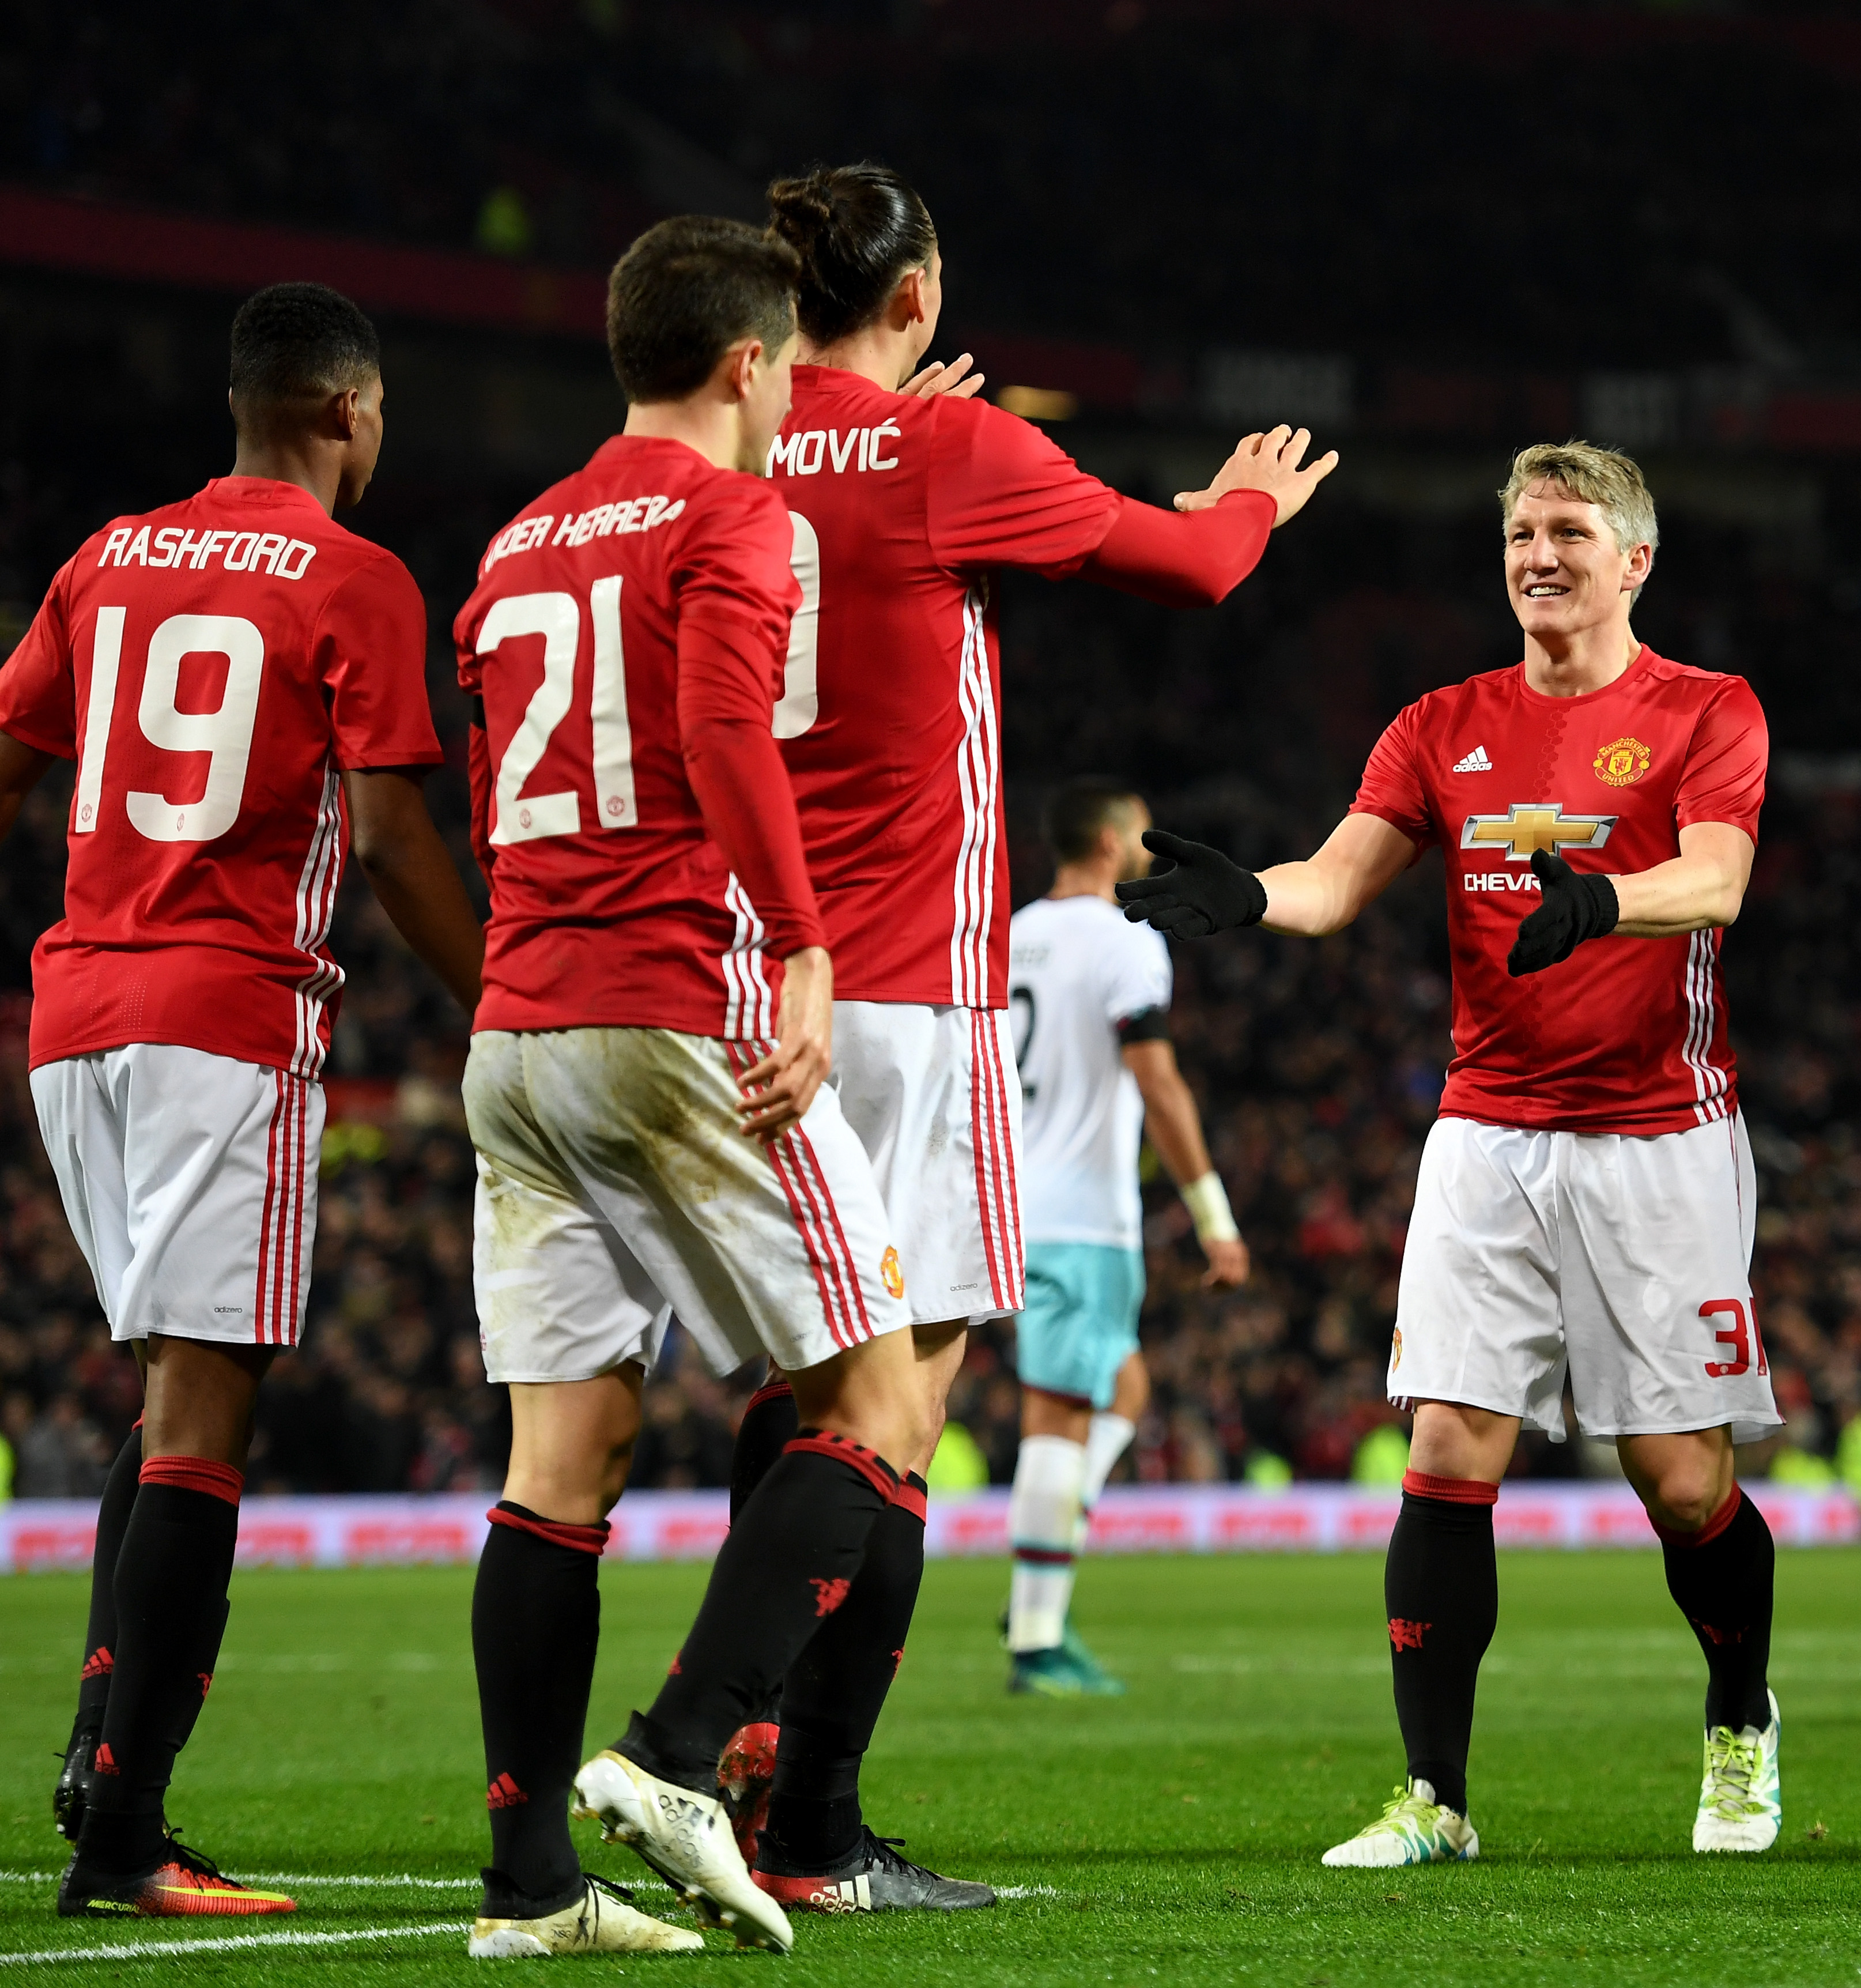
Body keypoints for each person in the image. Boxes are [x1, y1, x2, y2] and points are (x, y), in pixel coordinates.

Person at [701, 159, 1334, 1907]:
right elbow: (1194, 565)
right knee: (897, 1418)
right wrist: (1250, 497)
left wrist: (890, 424)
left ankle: (749, 1761)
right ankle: (783, 1800)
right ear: (913, 302)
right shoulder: (949, 453)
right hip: (908, 985)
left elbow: (835, 486)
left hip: (752, 982)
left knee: (800, 1377)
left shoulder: (722, 444)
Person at [1119, 441, 1782, 1864]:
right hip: (1488, 1131)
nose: (1539, 555)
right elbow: (1339, 878)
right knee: (1446, 1444)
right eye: (1520, 534)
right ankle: (1436, 1799)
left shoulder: (1704, 711)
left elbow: (1718, 878)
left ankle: (1739, 1720)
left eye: (1568, 532)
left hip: (1659, 1134)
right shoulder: (1441, 725)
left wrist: (1599, 906)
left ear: (1634, 562)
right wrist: (1250, 896)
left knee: (1677, 1479)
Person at [0, 282, 485, 1917]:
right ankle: (125, 1834)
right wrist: (505, 999)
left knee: (167, 1395)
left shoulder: (108, 556)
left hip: (72, 1020)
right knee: (202, 1419)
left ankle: (101, 1746)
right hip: (223, 1013)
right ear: (345, 410)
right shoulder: (355, 576)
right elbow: (391, 843)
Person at [451, 214, 949, 1957]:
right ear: (752, 362)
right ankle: (672, 1757)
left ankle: (530, 1894)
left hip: (516, 1031)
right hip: (673, 1013)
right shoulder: (736, 515)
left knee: (559, 1459)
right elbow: (729, 728)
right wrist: (802, 944)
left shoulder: (515, 545)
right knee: (877, 1405)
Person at [1001, 777, 1251, 1696]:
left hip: (1017, 1199)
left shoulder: (1011, 934)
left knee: (1120, 1386)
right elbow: (1158, 1081)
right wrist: (1214, 1217)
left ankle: (1045, 1561)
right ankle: (1035, 1627)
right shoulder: (1125, 939)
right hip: (1080, 1214)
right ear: (1110, 841)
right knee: (1060, 1411)